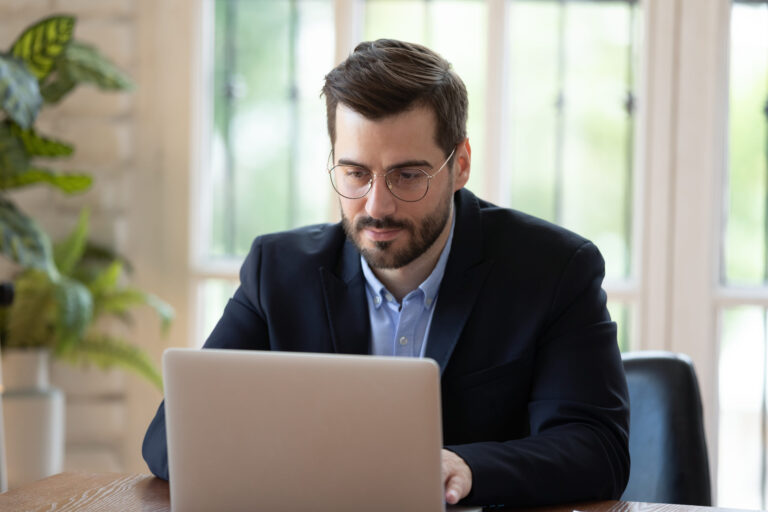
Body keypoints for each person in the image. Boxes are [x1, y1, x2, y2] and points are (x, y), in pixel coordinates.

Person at [143, 39, 630, 507]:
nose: (377, 206)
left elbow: (597, 449)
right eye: (356, 173)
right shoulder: (278, 271)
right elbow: (169, 443)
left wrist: (468, 467)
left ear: (459, 165)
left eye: (408, 175)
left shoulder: (555, 270)